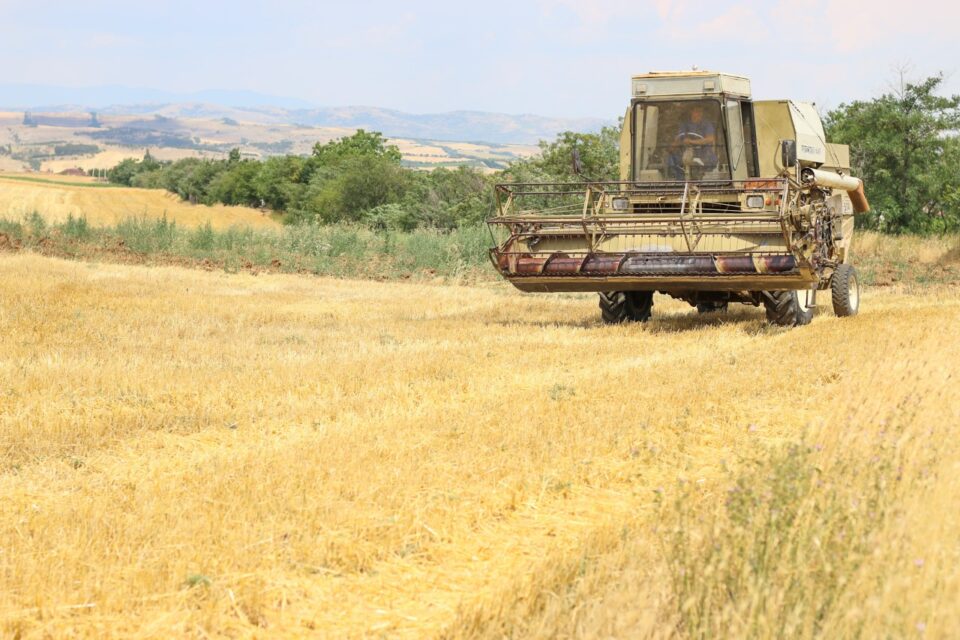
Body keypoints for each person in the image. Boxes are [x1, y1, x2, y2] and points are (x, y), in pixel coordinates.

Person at [667, 105, 718, 180]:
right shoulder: (684, 124)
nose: (699, 114)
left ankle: (706, 183)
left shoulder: (706, 124)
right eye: (696, 111)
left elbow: (710, 139)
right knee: (671, 159)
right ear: (691, 112)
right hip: (686, 152)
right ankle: (679, 183)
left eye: (701, 112)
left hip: (704, 153)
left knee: (713, 160)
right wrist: (670, 149)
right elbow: (679, 139)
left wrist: (692, 141)